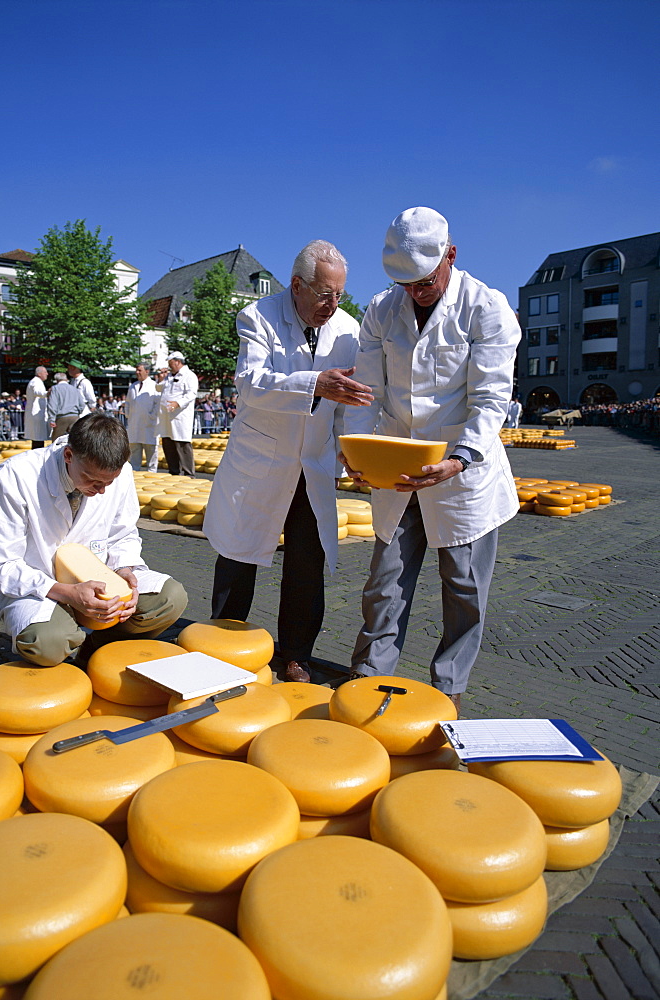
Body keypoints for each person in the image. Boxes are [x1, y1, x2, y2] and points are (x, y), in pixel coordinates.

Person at [340, 207, 521, 712]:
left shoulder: (487, 308)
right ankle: (368, 676)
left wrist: (461, 459)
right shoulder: (381, 309)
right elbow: (367, 393)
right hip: (396, 465)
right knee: (386, 579)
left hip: (461, 472)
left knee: (463, 587)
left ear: (451, 255)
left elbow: (490, 399)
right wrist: (354, 447)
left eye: (425, 281)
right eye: (406, 284)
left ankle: (449, 687)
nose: (416, 292)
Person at [203, 239, 372, 683]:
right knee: (238, 556)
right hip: (260, 461)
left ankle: (296, 653)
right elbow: (251, 383)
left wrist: (354, 449)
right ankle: (223, 641)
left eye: (339, 294)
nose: (332, 305)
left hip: (312, 466)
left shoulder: (348, 331)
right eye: (324, 294)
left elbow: (350, 405)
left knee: (305, 562)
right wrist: (315, 382)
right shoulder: (257, 317)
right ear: (296, 285)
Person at [0, 412, 189, 668]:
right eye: (92, 480)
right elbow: (0, 565)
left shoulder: (121, 475)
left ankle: (98, 648)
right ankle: (64, 646)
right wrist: (66, 593)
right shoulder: (15, 477)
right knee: (48, 643)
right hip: (38, 586)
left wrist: (125, 569)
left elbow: (123, 534)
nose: (100, 490)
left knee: (170, 598)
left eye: (108, 482)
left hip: (98, 581)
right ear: (69, 455)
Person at [156, 351, 199, 476]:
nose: (169, 367)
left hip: (180, 416)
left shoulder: (189, 376)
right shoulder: (169, 376)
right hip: (166, 417)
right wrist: (161, 378)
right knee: (168, 443)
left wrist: (178, 403)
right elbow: (159, 388)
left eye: (171, 364)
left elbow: (191, 394)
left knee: (182, 444)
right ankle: (173, 470)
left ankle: (188, 473)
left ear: (178, 362)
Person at [125, 363, 160, 473]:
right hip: (134, 424)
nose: (137, 372)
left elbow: (157, 403)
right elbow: (128, 402)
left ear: (147, 371)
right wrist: (128, 415)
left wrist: (152, 416)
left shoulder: (154, 385)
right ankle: (135, 471)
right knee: (134, 450)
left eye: (139, 370)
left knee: (151, 451)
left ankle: (152, 472)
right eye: (136, 370)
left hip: (149, 424)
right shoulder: (133, 386)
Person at [47, 372, 84, 441]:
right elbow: (82, 404)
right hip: (75, 416)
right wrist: (78, 412)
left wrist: (52, 419)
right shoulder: (74, 389)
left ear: (56, 380)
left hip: (61, 417)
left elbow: (52, 404)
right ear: (66, 379)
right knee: (75, 440)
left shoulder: (55, 389)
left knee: (56, 441)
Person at [24, 366, 49, 448]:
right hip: (36, 414)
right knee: (38, 437)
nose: (47, 374)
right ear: (39, 373)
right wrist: (48, 393)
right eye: (45, 372)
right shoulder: (36, 382)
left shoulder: (37, 381)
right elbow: (37, 392)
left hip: (37, 413)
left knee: (38, 437)